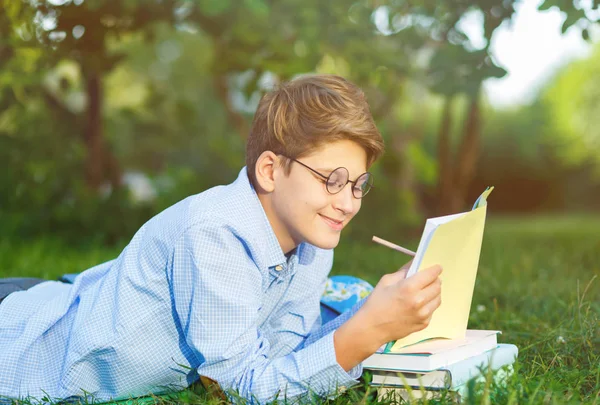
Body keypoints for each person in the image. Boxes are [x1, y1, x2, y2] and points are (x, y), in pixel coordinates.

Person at [0, 74, 442, 404]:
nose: (348, 203)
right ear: (270, 171)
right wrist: (368, 331)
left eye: (358, 184)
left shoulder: (313, 243)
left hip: (64, 295)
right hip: (25, 342)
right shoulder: (215, 234)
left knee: (353, 301)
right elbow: (244, 390)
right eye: (332, 179)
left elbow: (283, 357)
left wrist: (371, 315)